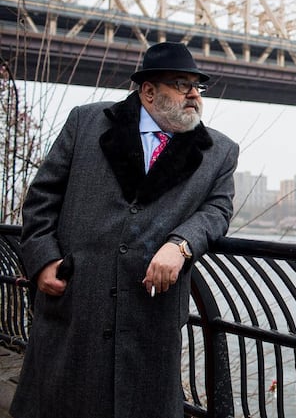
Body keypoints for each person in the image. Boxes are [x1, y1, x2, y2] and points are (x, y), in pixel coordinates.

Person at [10, 42, 239, 418]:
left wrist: (181, 245)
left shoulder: (220, 151)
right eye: (182, 84)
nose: (195, 95)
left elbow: (217, 210)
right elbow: (41, 197)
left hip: (150, 311)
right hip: (78, 300)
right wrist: (42, 260)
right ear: (148, 91)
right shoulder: (86, 122)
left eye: (199, 86)